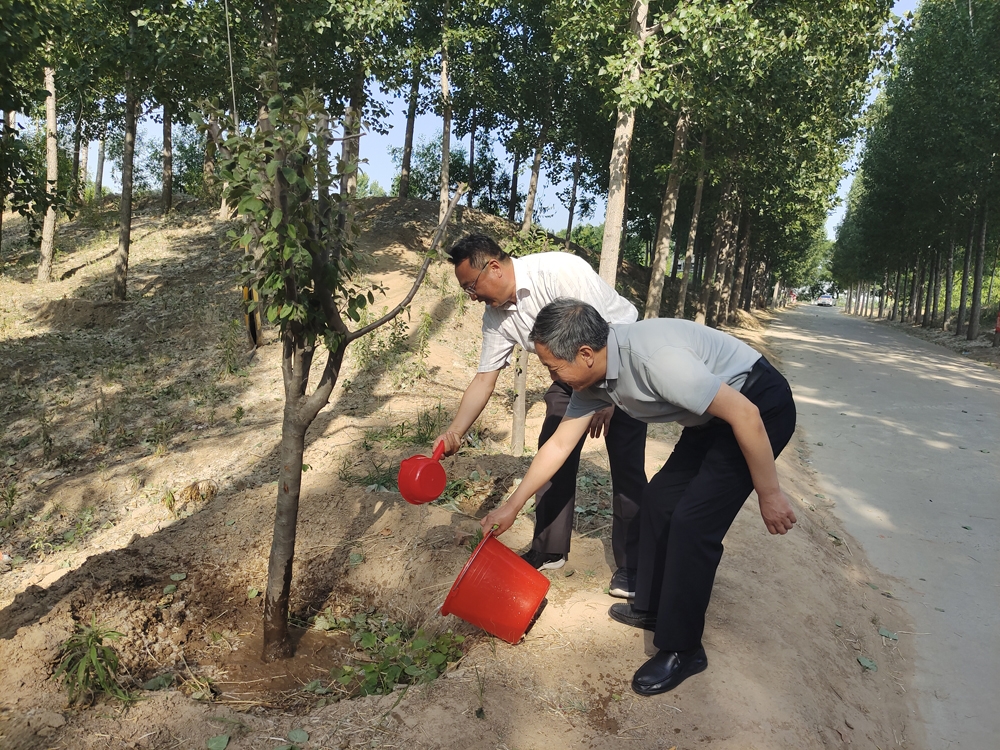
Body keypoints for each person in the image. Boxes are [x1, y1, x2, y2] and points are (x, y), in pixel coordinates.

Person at [482, 298, 798, 696]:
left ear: (585, 354)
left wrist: (770, 494)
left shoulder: (655, 361)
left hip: (757, 406)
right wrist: (511, 506)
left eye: (553, 367)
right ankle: (653, 608)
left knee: (693, 523)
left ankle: (684, 649)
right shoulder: (593, 379)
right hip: (713, 417)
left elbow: (746, 415)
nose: (552, 375)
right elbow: (559, 445)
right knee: (659, 501)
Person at [433, 234, 648, 597]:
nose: (471, 297)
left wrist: (608, 399)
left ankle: (634, 566)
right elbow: (485, 378)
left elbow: (610, 334)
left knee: (626, 466)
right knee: (551, 450)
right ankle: (549, 548)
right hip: (568, 374)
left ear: (494, 268)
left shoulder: (559, 271)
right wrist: (455, 431)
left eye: (471, 286)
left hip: (620, 361)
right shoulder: (496, 316)